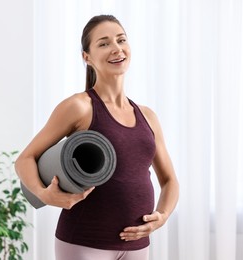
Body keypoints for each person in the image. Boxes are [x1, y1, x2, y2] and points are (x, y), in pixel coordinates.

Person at [15, 14, 179, 260]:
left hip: (137, 243)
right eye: (104, 43)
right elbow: (25, 159)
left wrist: (162, 216)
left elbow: (169, 180)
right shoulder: (79, 107)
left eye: (121, 40)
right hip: (85, 242)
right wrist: (43, 193)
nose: (116, 48)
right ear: (87, 57)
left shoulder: (148, 116)